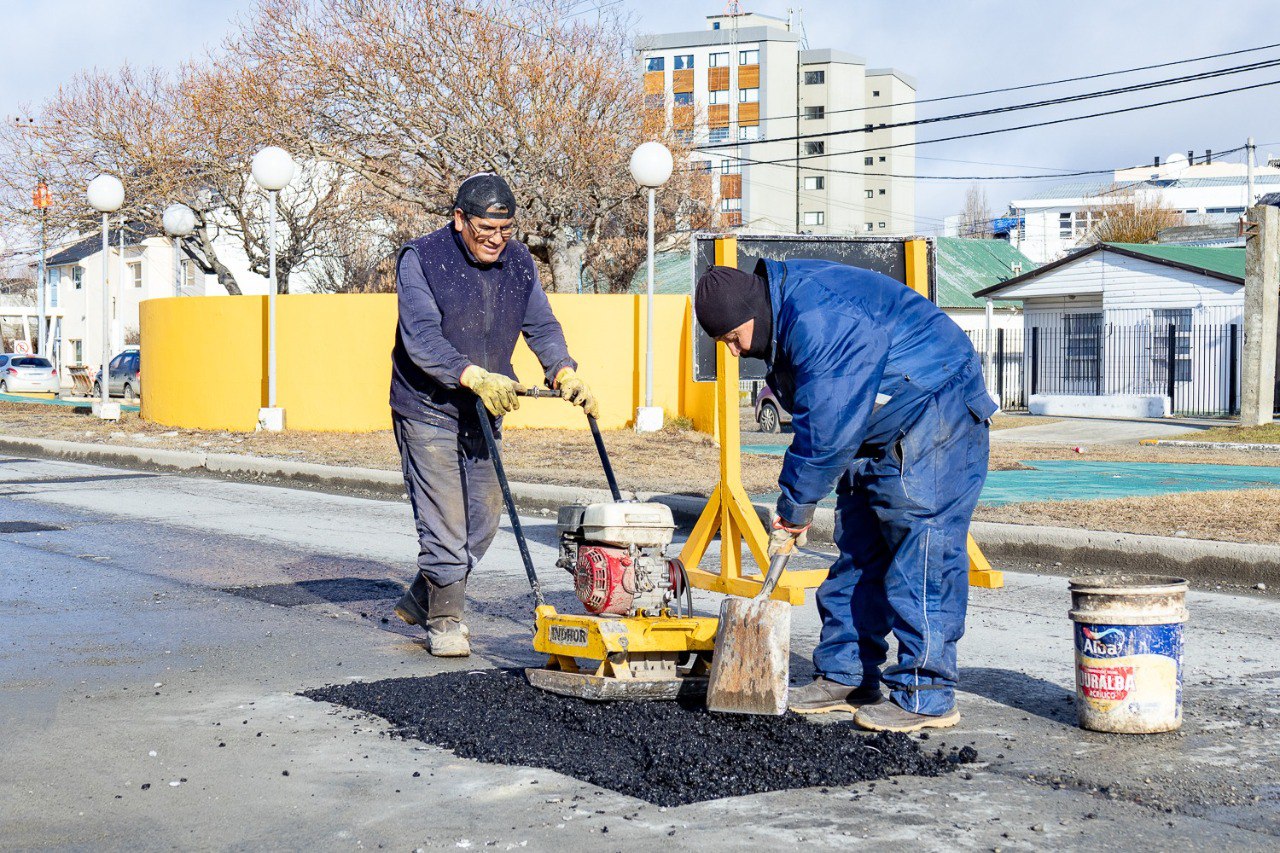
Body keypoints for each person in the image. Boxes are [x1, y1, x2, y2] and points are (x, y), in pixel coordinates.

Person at [694, 259, 996, 732]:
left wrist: (794, 507)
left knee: (923, 548)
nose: (733, 353)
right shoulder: (784, 319)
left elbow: (827, 429)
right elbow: (820, 413)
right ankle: (847, 674)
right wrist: (802, 500)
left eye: (733, 338)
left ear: (751, 311)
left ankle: (926, 692)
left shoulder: (819, 320)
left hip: (938, 406)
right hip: (881, 418)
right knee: (859, 546)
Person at [390, 173, 598, 657]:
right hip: (426, 406)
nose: (497, 241)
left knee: (483, 518)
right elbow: (419, 337)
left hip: (484, 410)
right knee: (445, 518)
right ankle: (444, 619)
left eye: (505, 231)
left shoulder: (519, 261)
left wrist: (562, 370)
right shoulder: (421, 259)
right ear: (460, 219)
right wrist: (472, 375)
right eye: (486, 230)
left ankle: (426, 594)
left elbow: (541, 322)